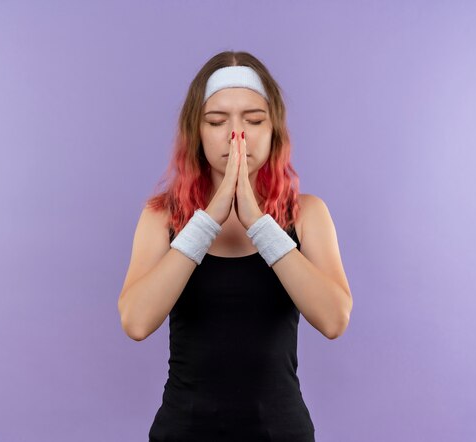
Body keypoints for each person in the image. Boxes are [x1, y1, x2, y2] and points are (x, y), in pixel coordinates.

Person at [118, 50, 353, 442]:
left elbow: (333, 320)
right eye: (216, 120)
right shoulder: (161, 217)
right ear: (197, 131)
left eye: (254, 120)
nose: (235, 135)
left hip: (281, 431)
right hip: (184, 431)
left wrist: (260, 225)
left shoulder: (307, 214)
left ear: (273, 128)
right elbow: (136, 322)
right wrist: (206, 221)